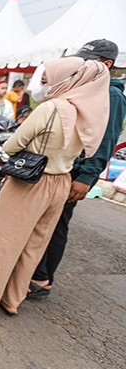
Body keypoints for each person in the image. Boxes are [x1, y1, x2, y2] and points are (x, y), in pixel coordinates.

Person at [0, 56, 109, 319]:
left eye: (49, 77)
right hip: (61, 181)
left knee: (3, 242)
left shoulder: (51, 108)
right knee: (34, 245)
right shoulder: (91, 112)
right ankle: (12, 299)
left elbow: (11, 146)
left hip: (31, 181)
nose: (46, 83)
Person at [29, 39, 126, 298]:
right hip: (64, 166)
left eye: (88, 61)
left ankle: (42, 278)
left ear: (106, 65)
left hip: (77, 172)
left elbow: (106, 140)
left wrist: (87, 177)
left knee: (57, 223)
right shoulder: (89, 89)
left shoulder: (112, 95)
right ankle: (33, 270)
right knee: (45, 220)